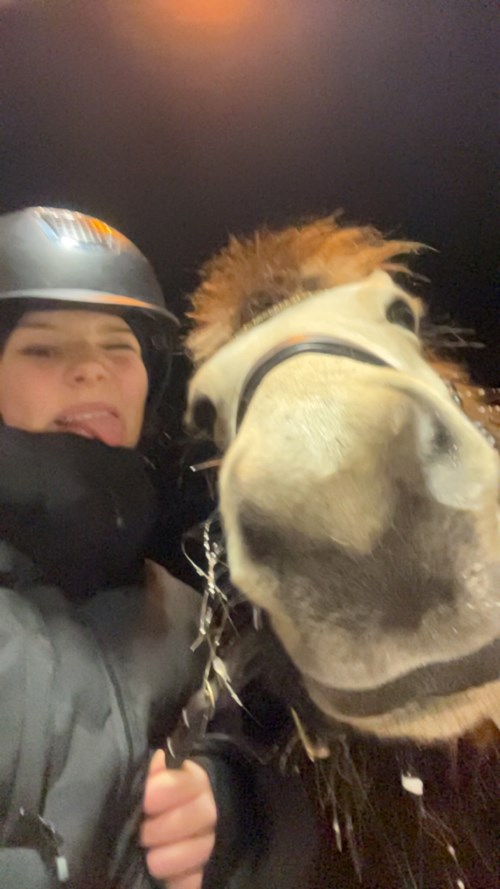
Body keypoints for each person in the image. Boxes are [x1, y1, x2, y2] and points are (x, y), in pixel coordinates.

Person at [0, 206, 219, 889]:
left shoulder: (185, 618)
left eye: (119, 347)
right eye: (42, 347)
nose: (92, 368)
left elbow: (284, 772)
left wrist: (235, 808)